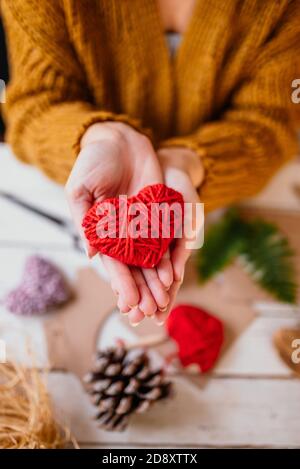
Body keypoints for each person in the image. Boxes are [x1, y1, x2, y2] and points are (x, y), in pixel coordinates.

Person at [2, 0, 300, 326]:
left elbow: (270, 125)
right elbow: (35, 107)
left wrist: (189, 163)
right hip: (101, 189)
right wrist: (99, 137)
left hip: (208, 202)